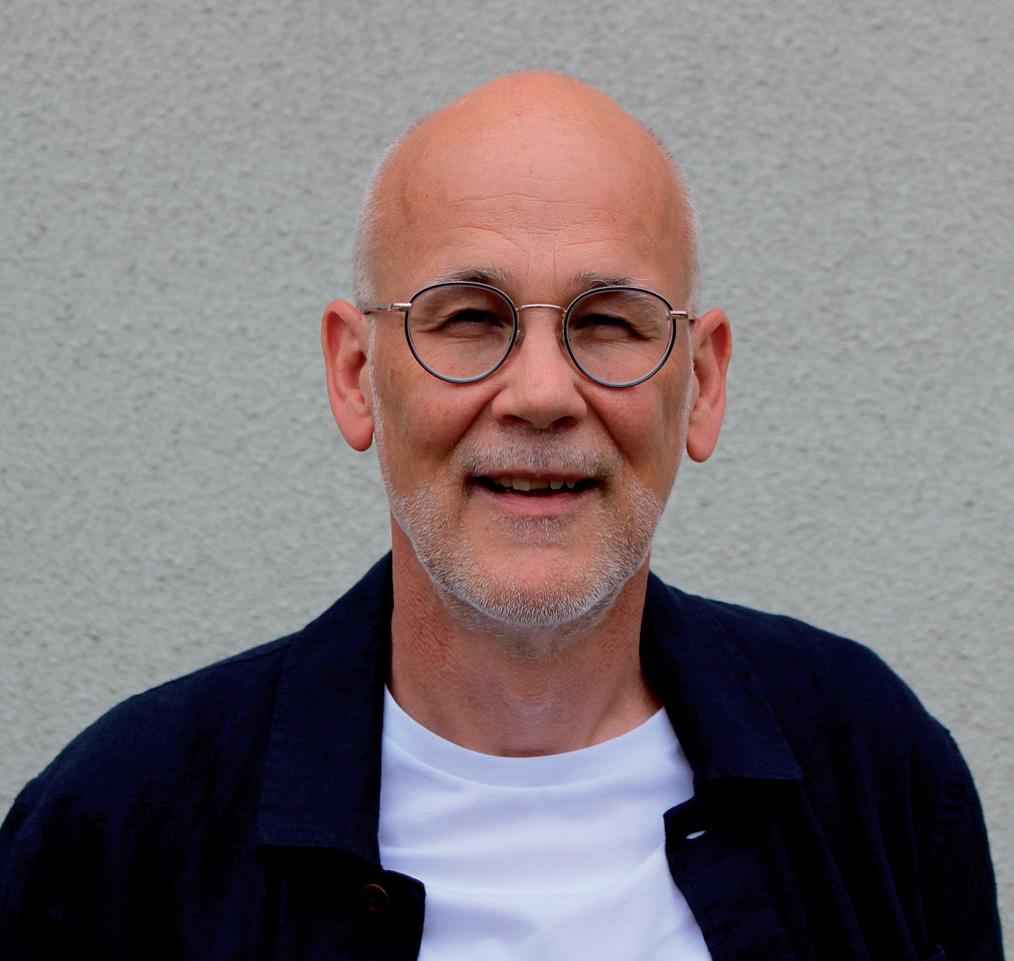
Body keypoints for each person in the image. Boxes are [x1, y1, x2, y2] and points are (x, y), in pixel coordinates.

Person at [0, 72, 1002, 960]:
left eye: (607, 323)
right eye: (471, 319)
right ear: (355, 376)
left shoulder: (873, 770)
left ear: (701, 383)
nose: (541, 394)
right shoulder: (119, 832)